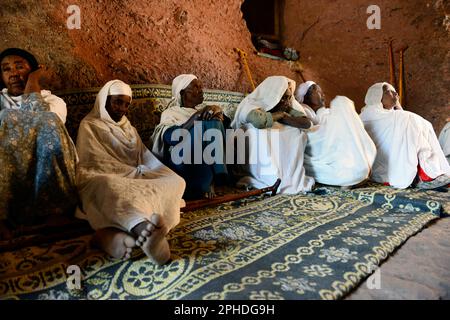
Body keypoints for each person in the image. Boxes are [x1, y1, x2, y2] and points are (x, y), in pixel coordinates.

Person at [75, 80, 186, 264]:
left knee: (176, 181)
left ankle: (115, 236)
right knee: (109, 186)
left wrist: (149, 171)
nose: (122, 109)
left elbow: (144, 156)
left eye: (127, 104)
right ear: (105, 101)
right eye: (117, 102)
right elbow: (91, 162)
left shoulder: (129, 128)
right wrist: (127, 173)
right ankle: (145, 231)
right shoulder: (89, 124)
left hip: (137, 175)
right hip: (105, 176)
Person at [0, 48, 77, 240]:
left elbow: (42, 120)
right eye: (6, 69)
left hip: (43, 163)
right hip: (8, 167)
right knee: (6, 115)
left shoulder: (54, 100)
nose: (14, 73)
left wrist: (33, 81)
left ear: (34, 71)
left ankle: (54, 212)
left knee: (47, 118)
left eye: (20, 67)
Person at [230, 75, 315, 194]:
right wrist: (279, 115)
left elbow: (306, 123)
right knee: (258, 132)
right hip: (251, 138)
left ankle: (288, 179)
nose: (287, 101)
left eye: (288, 97)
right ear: (273, 95)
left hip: (275, 131)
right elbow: (259, 122)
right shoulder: (251, 104)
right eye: (283, 97)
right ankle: (270, 178)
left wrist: (283, 116)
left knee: (295, 131)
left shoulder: (286, 106)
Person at [151, 74, 229, 200]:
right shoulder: (171, 112)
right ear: (183, 93)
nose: (201, 90)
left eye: (201, 87)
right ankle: (220, 176)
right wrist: (196, 117)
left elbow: (223, 133)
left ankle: (215, 179)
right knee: (205, 124)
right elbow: (171, 137)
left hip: (203, 166)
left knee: (214, 122)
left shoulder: (206, 112)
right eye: (196, 87)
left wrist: (218, 112)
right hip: (182, 165)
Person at [360, 82, 450, 189]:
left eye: (395, 91)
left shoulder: (395, 117)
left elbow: (402, 117)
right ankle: (425, 175)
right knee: (412, 123)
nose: (395, 93)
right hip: (383, 166)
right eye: (389, 91)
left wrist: (397, 106)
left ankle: (425, 173)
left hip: (384, 166)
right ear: (377, 96)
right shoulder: (363, 118)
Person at [295, 81, 377, 187]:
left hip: (331, 145)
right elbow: (311, 134)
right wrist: (332, 127)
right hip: (320, 149)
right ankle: (354, 172)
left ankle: (359, 164)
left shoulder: (324, 112)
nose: (323, 95)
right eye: (318, 92)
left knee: (343, 108)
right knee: (341, 103)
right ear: (307, 96)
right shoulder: (304, 110)